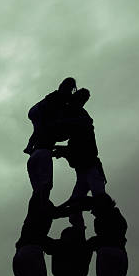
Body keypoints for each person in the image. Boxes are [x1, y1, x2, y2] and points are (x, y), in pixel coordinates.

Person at [53, 88, 107, 227]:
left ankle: (103, 225)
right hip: (85, 169)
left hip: (91, 167)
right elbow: (75, 201)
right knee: (77, 207)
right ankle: (78, 231)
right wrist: (57, 212)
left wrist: (57, 212)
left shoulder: (83, 121)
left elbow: (83, 126)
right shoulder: (77, 128)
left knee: (100, 200)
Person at [25, 78, 77, 202]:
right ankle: (42, 206)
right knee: (44, 186)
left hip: (35, 111)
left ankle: (28, 147)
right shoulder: (61, 97)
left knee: (38, 130)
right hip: (39, 115)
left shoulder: (56, 96)